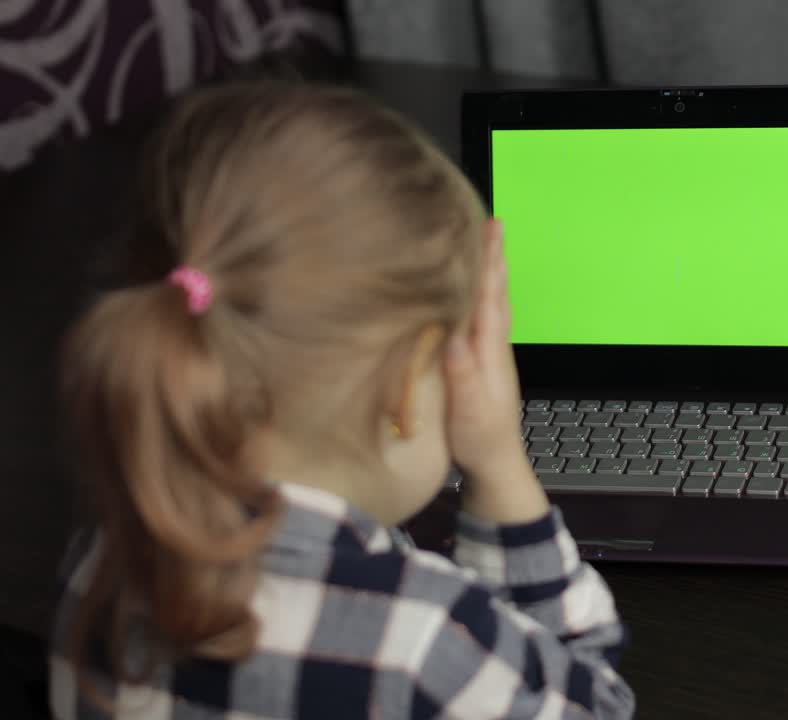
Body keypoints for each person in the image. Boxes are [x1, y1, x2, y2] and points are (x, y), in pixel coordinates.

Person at [46, 81, 634, 719]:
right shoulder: (426, 638)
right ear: (406, 388)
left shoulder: (100, 561)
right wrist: (498, 463)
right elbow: (592, 699)